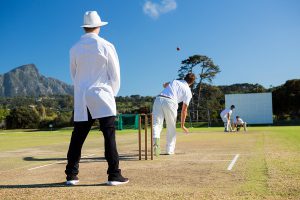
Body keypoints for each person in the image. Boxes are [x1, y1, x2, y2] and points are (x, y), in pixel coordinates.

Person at [65, 11, 128, 186]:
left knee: (78, 136)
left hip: (82, 96)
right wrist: (111, 94)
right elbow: (115, 75)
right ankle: (114, 175)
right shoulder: (107, 45)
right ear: (98, 26)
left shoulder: (74, 48)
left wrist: (81, 89)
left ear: (85, 27)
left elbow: (73, 74)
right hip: (102, 94)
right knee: (109, 135)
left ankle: (71, 175)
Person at [152, 73, 196, 156]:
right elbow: (184, 110)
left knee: (156, 124)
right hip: (171, 102)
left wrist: (166, 84)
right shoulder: (188, 92)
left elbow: (165, 85)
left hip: (158, 99)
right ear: (192, 82)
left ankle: (155, 142)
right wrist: (182, 125)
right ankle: (169, 150)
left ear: (184, 78)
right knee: (171, 127)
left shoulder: (175, 81)